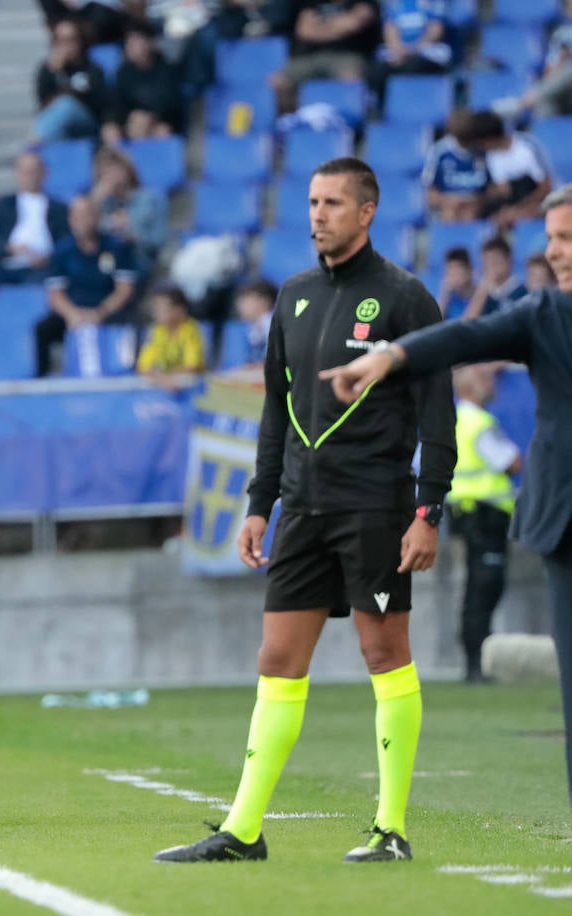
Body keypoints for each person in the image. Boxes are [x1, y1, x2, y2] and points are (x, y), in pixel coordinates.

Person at [155, 157, 456, 864]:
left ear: (368, 210)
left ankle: (391, 829)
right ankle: (243, 830)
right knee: (277, 658)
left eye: (333, 203)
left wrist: (428, 510)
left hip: (376, 506)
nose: (318, 214)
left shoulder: (406, 298)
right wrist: (260, 503)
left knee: (385, 652)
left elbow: (436, 411)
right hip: (304, 510)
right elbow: (276, 414)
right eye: (313, 201)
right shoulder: (291, 296)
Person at [322, 182, 572, 806]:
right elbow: (464, 338)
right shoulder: (545, 314)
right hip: (565, 519)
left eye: (566, 238)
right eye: (552, 239)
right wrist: (387, 357)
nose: (555, 252)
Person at [445, 364, 522, 683]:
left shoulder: (454, 420)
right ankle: (477, 665)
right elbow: (512, 461)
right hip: (484, 516)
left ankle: (474, 662)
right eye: (485, 378)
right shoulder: (479, 422)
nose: (492, 384)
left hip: (464, 513)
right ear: (470, 388)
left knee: (475, 589)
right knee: (484, 588)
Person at [37, 193, 140, 377]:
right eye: (76, 216)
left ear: (97, 217)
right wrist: (72, 314)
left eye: (86, 215)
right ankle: (41, 379)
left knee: (134, 323)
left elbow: (125, 290)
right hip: (74, 312)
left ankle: (128, 374)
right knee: (43, 329)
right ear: (70, 219)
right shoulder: (62, 251)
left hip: (109, 311)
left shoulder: (117, 247)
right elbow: (55, 294)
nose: (81, 221)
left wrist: (100, 312)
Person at [0, 151, 70, 289]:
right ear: (17, 173)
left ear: (43, 173)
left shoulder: (58, 208)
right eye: (25, 172)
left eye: (34, 171)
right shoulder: (3, 204)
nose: (30, 177)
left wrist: (47, 257)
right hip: (6, 264)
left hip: (44, 266)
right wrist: (11, 247)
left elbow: (66, 240)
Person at [271, 0, 381, 111]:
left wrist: (322, 26)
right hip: (308, 57)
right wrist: (338, 27)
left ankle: (350, 121)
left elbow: (353, 24)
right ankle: (288, 121)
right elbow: (305, 31)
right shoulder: (311, 3)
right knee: (280, 81)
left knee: (351, 77)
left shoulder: (365, 2)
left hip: (348, 57)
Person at [103, 19, 185, 144]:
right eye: (129, 42)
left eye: (136, 41)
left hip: (160, 122)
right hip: (131, 121)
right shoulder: (123, 73)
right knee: (110, 131)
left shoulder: (167, 70)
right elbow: (117, 104)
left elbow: (171, 104)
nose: (131, 46)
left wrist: (151, 116)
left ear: (149, 42)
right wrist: (126, 118)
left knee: (162, 132)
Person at [33, 17, 107, 142]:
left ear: (81, 41)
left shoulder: (92, 69)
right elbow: (42, 101)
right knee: (57, 125)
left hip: (87, 124)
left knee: (65, 105)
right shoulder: (48, 69)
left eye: (71, 40)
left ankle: (35, 141)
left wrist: (64, 80)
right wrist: (54, 73)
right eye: (61, 41)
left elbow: (99, 102)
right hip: (58, 124)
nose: (67, 46)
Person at [421, 109, 489, 223]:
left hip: (476, 207)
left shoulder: (484, 150)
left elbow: (496, 188)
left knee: (470, 214)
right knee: (450, 212)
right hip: (449, 205)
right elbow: (430, 195)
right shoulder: (439, 152)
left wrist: (478, 201)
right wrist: (449, 200)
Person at [136, 284, 205, 377]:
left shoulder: (191, 330)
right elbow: (143, 366)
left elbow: (191, 367)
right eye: (156, 308)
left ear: (179, 310)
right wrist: (159, 378)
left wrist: (163, 377)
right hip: (163, 381)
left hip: (191, 385)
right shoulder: (157, 330)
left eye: (161, 308)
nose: (156, 313)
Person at [462, 237, 527, 320]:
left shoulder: (522, 291)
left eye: (496, 260)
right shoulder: (483, 294)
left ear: (508, 260)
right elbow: (467, 323)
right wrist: (483, 289)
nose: (492, 266)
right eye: (487, 261)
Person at [234, 279, 276, 364]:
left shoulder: (273, 325)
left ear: (264, 301)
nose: (239, 304)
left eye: (245, 299)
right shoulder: (254, 327)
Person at [435, 246, 476, 321]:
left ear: (469, 270)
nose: (453, 275)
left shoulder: (480, 295)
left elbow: (469, 324)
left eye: (457, 269)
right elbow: (434, 323)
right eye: (450, 269)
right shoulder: (448, 297)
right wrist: (445, 294)